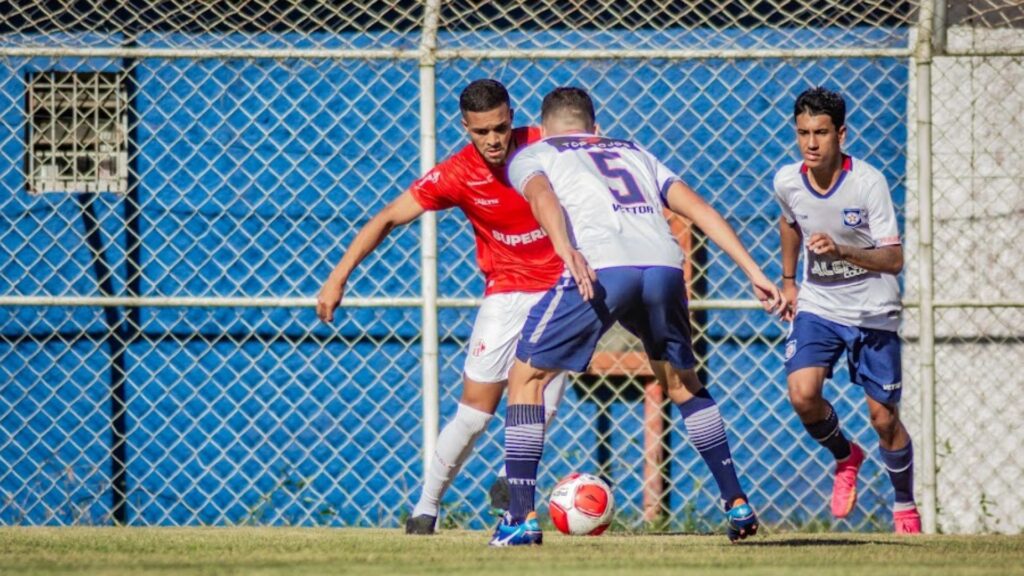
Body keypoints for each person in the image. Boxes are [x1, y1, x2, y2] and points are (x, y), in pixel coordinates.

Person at [488, 86, 785, 547]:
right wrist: (753, 270)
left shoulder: (535, 152)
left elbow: (542, 196)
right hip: (665, 267)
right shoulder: (634, 150)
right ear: (596, 128)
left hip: (604, 267)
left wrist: (567, 250)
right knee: (682, 381)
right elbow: (698, 207)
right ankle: (737, 502)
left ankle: (519, 519)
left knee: (525, 377)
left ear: (544, 128)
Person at [316, 79, 569, 535]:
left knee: (539, 405)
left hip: (560, 291)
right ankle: (425, 509)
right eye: (481, 132)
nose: (494, 140)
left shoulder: (545, 146)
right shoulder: (457, 174)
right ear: (464, 127)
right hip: (506, 293)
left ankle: (513, 495)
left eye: (501, 127)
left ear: (513, 116)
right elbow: (388, 216)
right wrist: (338, 277)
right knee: (474, 415)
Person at [773, 87, 919, 534]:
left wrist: (843, 250)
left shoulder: (867, 183)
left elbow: (893, 260)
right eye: (802, 133)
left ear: (841, 133)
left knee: (883, 418)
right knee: (802, 393)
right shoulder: (787, 181)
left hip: (873, 311)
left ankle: (904, 506)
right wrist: (790, 280)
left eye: (820, 133)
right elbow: (789, 222)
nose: (810, 144)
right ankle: (845, 456)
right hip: (819, 305)